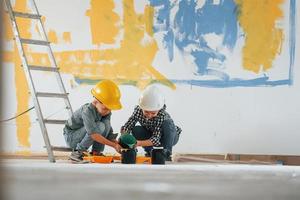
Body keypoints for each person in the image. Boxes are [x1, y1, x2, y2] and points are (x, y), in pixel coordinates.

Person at [63, 80, 122, 162]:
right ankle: (77, 152)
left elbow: (108, 131)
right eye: (105, 108)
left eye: (110, 109)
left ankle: (96, 152)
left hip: (86, 134)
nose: (108, 111)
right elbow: (93, 134)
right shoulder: (87, 111)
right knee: (100, 126)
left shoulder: (106, 111)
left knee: (106, 124)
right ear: (95, 102)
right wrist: (113, 146)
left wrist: (117, 143)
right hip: (72, 138)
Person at [121, 85, 182, 161]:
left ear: (159, 109)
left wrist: (138, 143)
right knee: (136, 130)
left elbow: (156, 139)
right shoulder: (138, 111)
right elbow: (128, 125)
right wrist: (124, 137)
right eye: (146, 112)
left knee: (167, 123)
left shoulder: (162, 115)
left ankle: (166, 155)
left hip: (168, 137)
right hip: (151, 134)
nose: (149, 115)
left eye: (153, 113)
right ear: (142, 107)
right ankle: (150, 152)